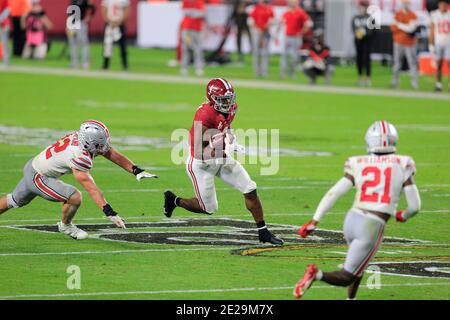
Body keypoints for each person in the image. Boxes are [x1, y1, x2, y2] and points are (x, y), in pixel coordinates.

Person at [293, 120, 421, 300]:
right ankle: (317, 274)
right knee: (348, 276)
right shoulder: (403, 162)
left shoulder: (358, 162)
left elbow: (334, 193)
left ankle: (350, 299)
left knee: (358, 263)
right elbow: (415, 207)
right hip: (372, 224)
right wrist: (404, 215)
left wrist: (314, 221)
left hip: (351, 219)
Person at [163, 78, 283, 245]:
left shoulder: (231, 109)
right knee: (208, 208)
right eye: (223, 99)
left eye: (229, 98)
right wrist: (221, 147)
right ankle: (174, 200)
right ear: (212, 98)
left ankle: (263, 232)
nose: (228, 103)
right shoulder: (204, 114)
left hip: (220, 157)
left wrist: (230, 140)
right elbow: (199, 151)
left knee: (250, 188)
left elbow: (225, 127)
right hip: (201, 164)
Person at [0, 120, 158, 240]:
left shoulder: (82, 139)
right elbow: (91, 187)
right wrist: (109, 211)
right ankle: (65, 226)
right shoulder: (79, 156)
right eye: (100, 144)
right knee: (74, 197)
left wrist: (136, 170)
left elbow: (110, 153)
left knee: (13, 200)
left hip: (33, 166)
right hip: (39, 177)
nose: (104, 146)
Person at [277, 0, 311, 79]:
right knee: (284, 55)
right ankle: (283, 73)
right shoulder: (286, 12)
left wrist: (302, 32)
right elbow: (281, 22)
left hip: (296, 36)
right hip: (287, 36)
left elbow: (308, 23)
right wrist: (277, 34)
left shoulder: (300, 12)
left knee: (295, 57)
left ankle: (292, 73)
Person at [390, 0, 419, 89]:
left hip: (410, 43)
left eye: (407, 3)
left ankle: (414, 83)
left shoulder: (413, 15)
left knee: (412, 63)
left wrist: (399, 25)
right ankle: (395, 82)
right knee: (396, 63)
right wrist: (405, 26)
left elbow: (411, 29)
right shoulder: (397, 15)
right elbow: (393, 28)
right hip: (398, 42)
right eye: (404, 3)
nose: (405, 5)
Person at [101, 0, 130, 70]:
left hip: (119, 24)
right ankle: (105, 65)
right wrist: (109, 21)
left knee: (122, 45)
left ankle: (125, 65)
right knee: (107, 45)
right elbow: (104, 10)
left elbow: (127, 10)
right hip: (109, 24)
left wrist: (120, 21)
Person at [249, 0, 274, 78]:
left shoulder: (269, 8)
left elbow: (272, 19)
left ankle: (264, 72)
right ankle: (256, 72)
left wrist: (266, 27)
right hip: (257, 31)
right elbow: (251, 20)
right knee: (256, 52)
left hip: (266, 31)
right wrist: (257, 28)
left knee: (265, 53)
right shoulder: (256, 8)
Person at [67, 0, 96, 70]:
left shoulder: (85, 1)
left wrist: (89, 17)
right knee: (72, 43)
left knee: (84, 43)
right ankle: (74, 62)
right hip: (72, 23)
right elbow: (70, 12)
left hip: (81, 22)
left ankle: (85, 63)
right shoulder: (73, 1)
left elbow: (93, 8)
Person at [352, 0, 375, 87]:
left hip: (367, 42)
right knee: (359, 59)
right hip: (358, 41)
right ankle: (360, 77)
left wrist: (365, 33)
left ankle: (368, 78)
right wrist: (358, 33)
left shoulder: (370, 18)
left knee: (367, 59)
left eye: (363, 7)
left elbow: (373, 31)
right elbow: (353, 28)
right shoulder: (355, 17)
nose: (361, 9)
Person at [180, 0, 206, 76]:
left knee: (198, 49)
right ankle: (184, 68)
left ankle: (199, 68)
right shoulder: (186, 1)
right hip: (187, 29)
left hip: (197, 29)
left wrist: (191, 13)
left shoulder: (200, 1)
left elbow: (201, 13)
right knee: (185, 48)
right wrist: (194, 12)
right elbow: (184, 12)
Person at [429, 0, 450, 92]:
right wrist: (431, 44)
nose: (443, 6)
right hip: (438, 42)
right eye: (441, 4)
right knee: (438, 64)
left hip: (449, 42)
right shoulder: (435, 14)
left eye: (445, 4)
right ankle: (438, 85)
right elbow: (432, 30)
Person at [0, 0, 10, 66]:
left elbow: (8, 9)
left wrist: (0, 19)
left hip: (3, 24)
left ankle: (6, 62)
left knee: (4, 43)